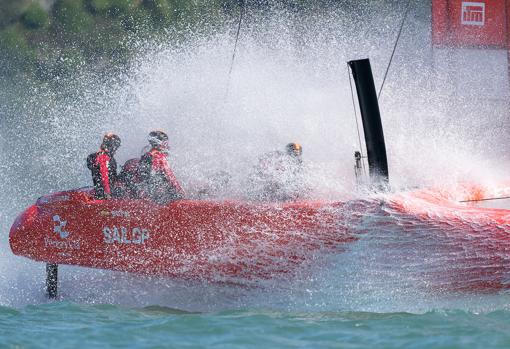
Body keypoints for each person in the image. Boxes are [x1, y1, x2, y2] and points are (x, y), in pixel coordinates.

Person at [139, 130, 185, 204]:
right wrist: (182, 193)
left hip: (146, 194)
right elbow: (170, 177)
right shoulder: (159, 157)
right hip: (158, 196)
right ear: (160, 143)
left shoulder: (146, 155)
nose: (167, 145)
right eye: (165, 143)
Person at [87, 133, 121, 199]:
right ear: (111, 146)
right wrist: (108, 193)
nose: (116, 150)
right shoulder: (104, 157)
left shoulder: (97, 156)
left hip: (100, 192)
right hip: (105, 196)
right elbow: (104, 175)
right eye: (116, 147)